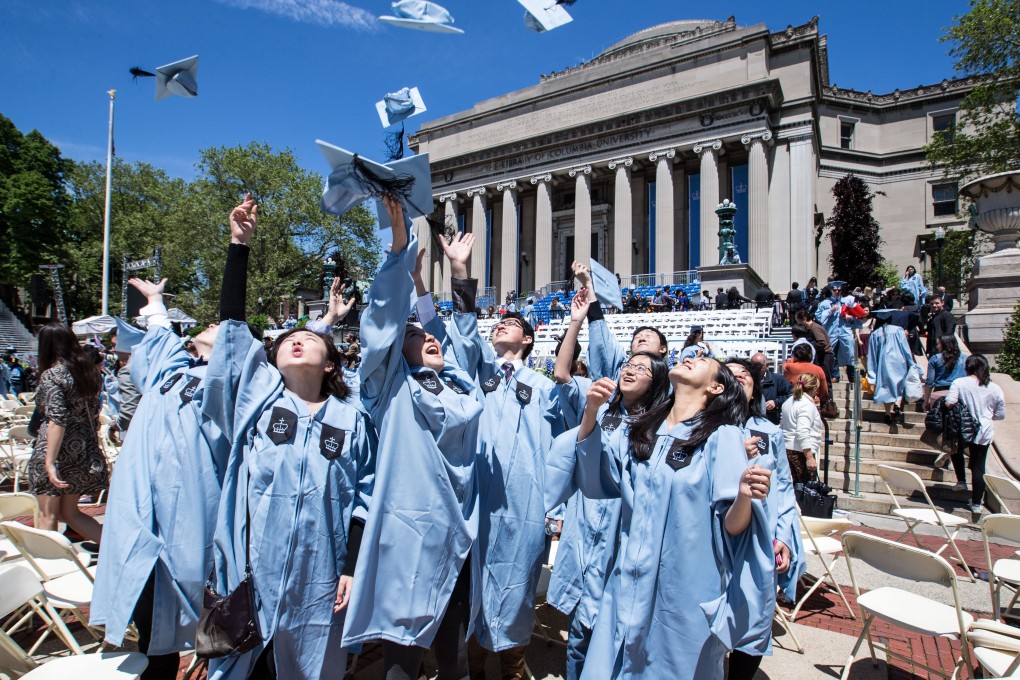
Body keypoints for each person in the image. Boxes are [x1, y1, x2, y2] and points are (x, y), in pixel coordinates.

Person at [206, 212, 373, 680]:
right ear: (272, 359)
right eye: (288, 340)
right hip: (252, 566)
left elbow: (365, 496)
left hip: (321, 576)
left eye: (309, 339)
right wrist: (239, 246)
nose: (298, 341)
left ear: (331, 364)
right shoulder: (255, 403)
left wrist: (351, 567)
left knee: (311, 666)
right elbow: (234, 331)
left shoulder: (352, 419)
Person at [342, 199, 481, 680]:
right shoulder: (390, 387)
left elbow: (461, 337)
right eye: (416, 334)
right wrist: (399, 252)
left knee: (455, 659)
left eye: (429, 333)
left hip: (457, 539)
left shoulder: (464, 389)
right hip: (406, 536)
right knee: (402, 659)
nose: (429, 336)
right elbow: (381, 325)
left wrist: (458, 274)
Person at [569, 359, 774, 679]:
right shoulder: (642, 432)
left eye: (704, 360)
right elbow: (596, 480)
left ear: (715, 387)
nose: (691, 357)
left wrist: (745, 494)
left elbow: (732, 527)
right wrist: (591, 411)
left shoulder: (724, 437)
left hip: (680, 598)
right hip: (625, 587)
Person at [436, 230, 565, 680]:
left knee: (518, 583)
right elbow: (464, 334)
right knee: (471, 583)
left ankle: (512, 666)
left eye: (512, 324)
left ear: (529, 340)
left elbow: (566, 448)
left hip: (527, 502)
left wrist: (558, 505)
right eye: (498, 324)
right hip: (477, 497)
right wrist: (459, 271)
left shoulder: (546, 387)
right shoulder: (477, 377)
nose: (501, 326)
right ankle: (471, 665)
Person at [548, 289, 672, 680]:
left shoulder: (663, 429)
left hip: (625, 543)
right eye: (628, 362)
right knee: (582, 629)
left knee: (618, 629)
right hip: (587, 531)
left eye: (644, 364)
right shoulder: (603, 403)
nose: (630, 368)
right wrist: (577, 320)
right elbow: (562, 374)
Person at [725, 358, 804, 679]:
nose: (739, 378)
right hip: (711, 537)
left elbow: (783, 488)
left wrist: (784, 536)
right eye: (729, 374)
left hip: (757, 537)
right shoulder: (697, 427)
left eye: (745, 375)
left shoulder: (768, 431)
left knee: (753, 617)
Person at [27, 323, 106, 543]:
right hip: (83, 449)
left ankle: (49, 568)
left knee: (47, 515)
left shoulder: (53, 374)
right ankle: (122, 551)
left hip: (55, 449)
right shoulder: (89, 372)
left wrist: (50, 462)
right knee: (70, 513)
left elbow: (57, 420)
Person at [573, 262, 668, 381]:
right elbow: (600, 339)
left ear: (663, 348)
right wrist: (588, 284)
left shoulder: (672, 381)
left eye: (649, 336)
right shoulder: (618, 374)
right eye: (637, 337)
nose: (642, 338)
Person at [942, 355, 1006, 513]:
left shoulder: (960, 383)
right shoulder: (994, 388)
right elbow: (1000, 414)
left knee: (955, 450)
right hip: (983, 430)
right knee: (979, 466)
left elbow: (949, 402)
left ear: (968, 367)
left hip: (962, 427)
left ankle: (961, 480)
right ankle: (977, 503)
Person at [867, 311, 915, 425]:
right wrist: (911, 362)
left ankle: (887, 412)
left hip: (883, 364)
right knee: (899, 384)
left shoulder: (875, 334)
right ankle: (898, 405)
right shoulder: (898, 330)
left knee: (886, 387)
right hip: (899, 361)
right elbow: (905, 347)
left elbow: (872, 354)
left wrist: (872, 373)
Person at [780, 373, 823, 485]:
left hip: (788, 449)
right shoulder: (806, 405)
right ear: (814, 388)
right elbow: (802, 432)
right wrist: (809, 457)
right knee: (806, 489)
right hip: (801, 451)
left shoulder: (788, 402)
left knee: (796, 486)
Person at [814, 283, 861, 382]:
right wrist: (830, 310)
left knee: (850, 351)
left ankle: (851, 375)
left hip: (845, 330)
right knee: (832, 353)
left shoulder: (847, 302)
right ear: (831, 290)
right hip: (831, 331)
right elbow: (819, 317)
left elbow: (857, 316)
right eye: (835, 290)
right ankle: (835, 375)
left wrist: (850, 317)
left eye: (839, 290)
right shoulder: (825, 303)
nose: (837, 292)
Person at [925, 335, 966, 409]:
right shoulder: (965, 359)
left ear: (944, 345)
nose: (937, 347)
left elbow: (930, 382)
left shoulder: (935, 359)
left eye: (938, 344)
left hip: (940, 393)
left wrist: (926, 400)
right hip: (960, 394)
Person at [750, 353, 791, 425]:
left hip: (771, 420)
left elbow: (790, 395)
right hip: (750, 420)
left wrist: (776, 402)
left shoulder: (777, 379)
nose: (755, 368)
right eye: (752, 366)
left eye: (758, 366)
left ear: (767, 365)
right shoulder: (747, 379)